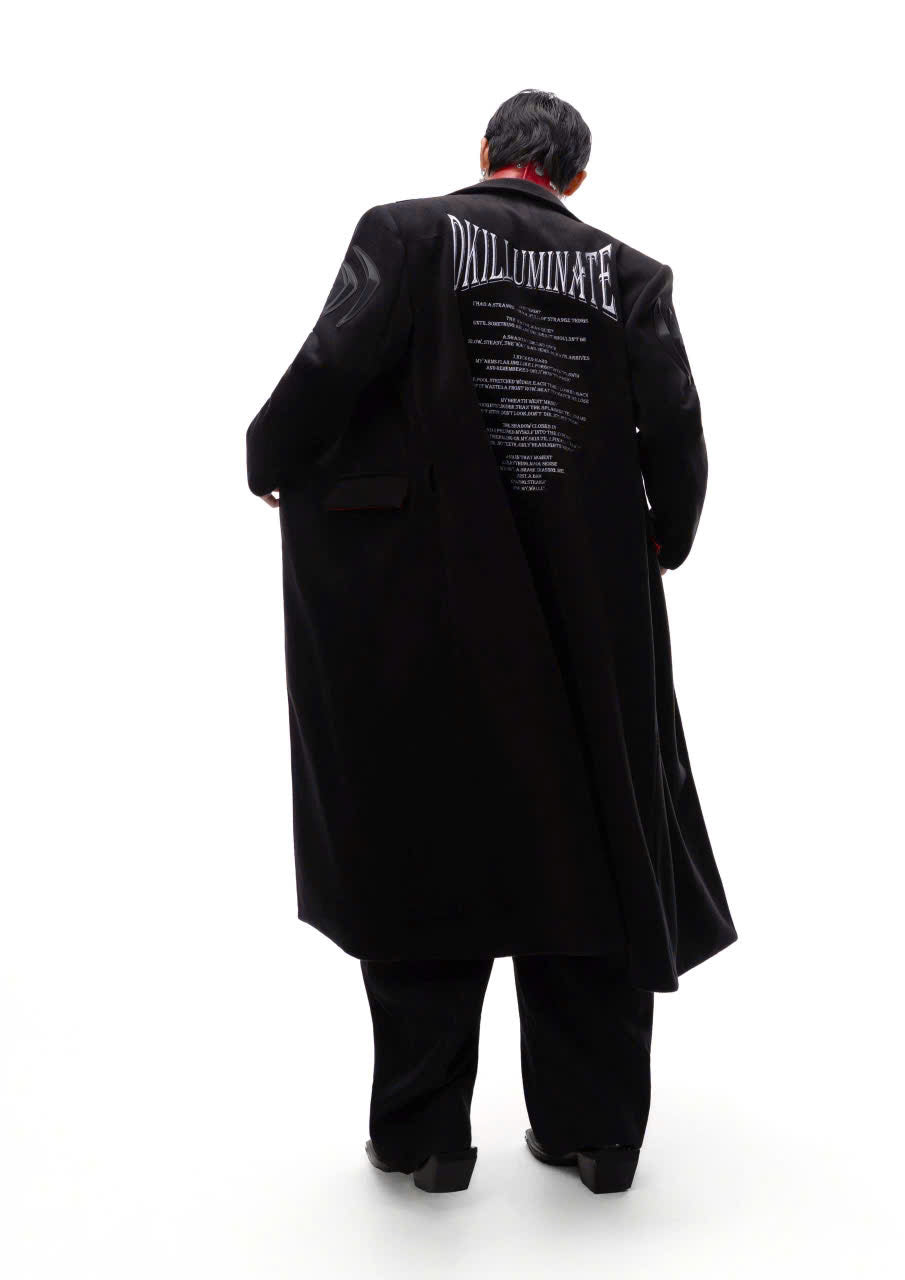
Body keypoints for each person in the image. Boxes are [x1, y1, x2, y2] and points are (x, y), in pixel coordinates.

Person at [245, 89, 737, 1195]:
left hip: (428, 609)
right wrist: (666, 534)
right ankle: (597, 1133)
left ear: (485, 152)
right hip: (587, 617)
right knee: (593, 839)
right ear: (576, 178)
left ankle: (427, 1138)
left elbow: (330, 366)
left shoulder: (405, 234)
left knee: (425, 842)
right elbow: (677, 426)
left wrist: (270, 458)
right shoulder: (628, 273)